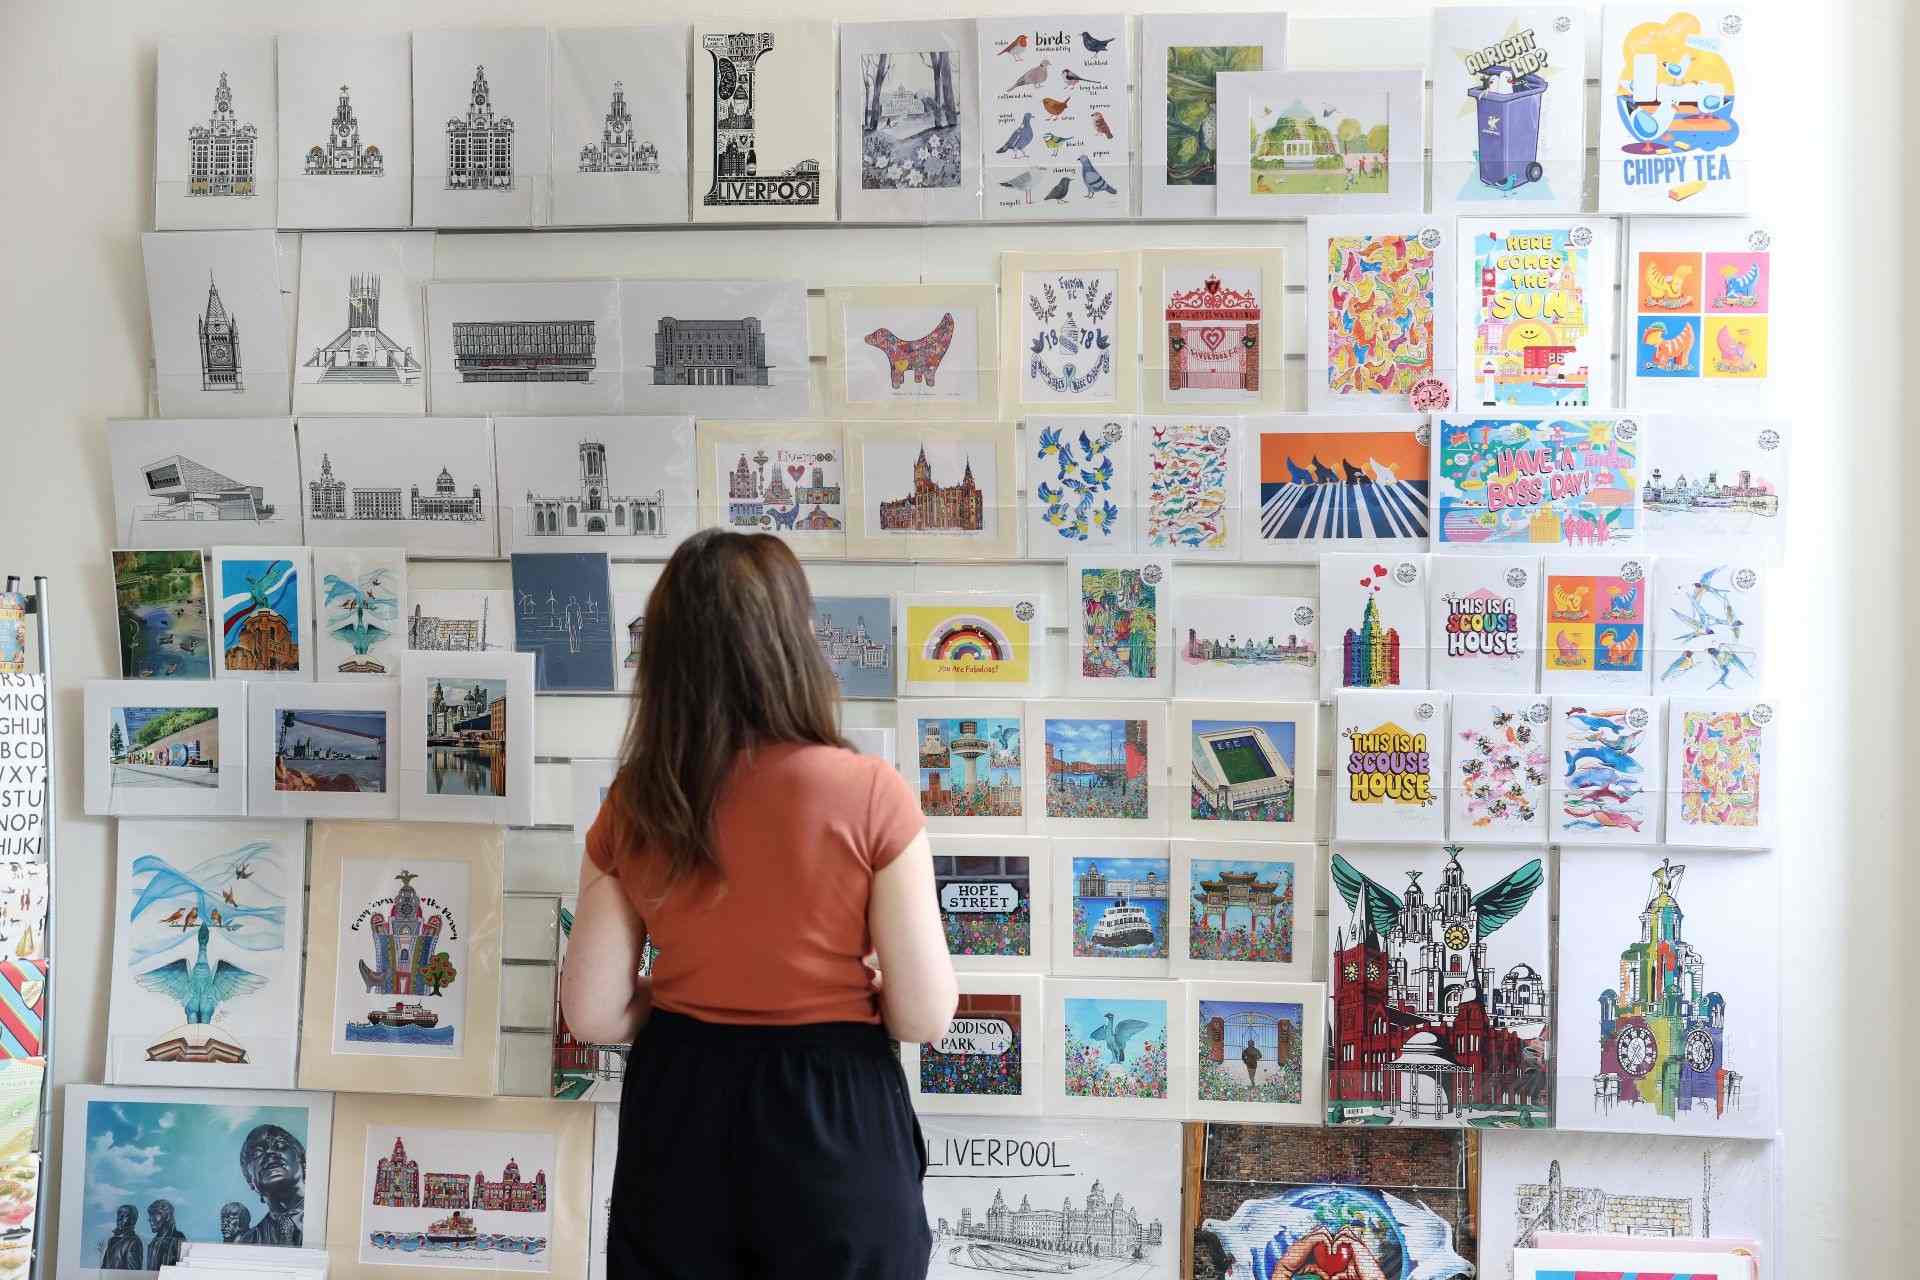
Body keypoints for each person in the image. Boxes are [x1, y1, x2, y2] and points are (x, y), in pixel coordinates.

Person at [563, 531, 956, 1280]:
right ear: (793, 642)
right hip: (834, 1113)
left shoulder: (640, 801)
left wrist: (677, 1000)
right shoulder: (870, 793)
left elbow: (591, 1013)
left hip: (682, 1105)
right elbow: (924, 1017)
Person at [233, 1123, 306, 1245]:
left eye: (280, 1145)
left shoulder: (330, 1219)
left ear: (304, 1162)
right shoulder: (247, 1242)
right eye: (257, 1153)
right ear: (250, 1180)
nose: (270, 1152)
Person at [99, 1204, 143, 1270]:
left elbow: (133, 1273)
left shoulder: (134, 1242)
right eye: (119, 1215)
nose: (119, 1218)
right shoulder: (112, 1241)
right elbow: (104, 1267)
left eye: (124, 1216)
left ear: (133, 1220)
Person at [145, 1200, 186, 1270]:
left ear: (167, 1217)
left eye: (155, 1215)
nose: (150, 1220)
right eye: (150, 1215)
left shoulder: (178, 1239)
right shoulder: (153, 1242)